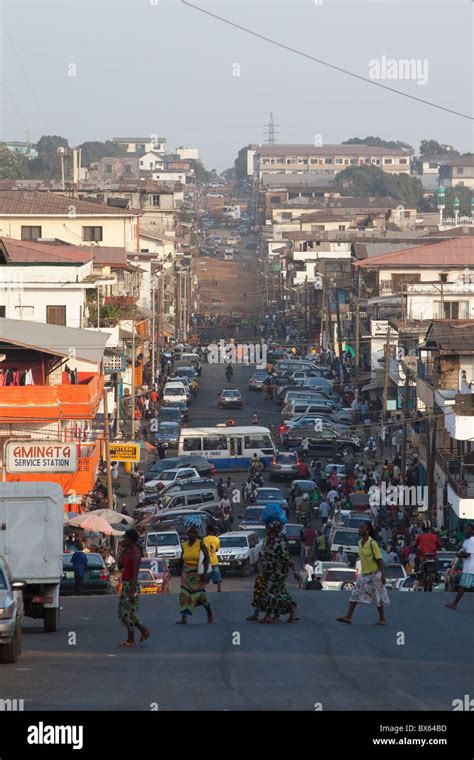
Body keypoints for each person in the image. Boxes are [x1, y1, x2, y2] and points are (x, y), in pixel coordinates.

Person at [246, 505, 301, 623]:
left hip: (278, 573)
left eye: (269, 529)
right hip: (266, 571)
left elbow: (287, 558)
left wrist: (295, 572)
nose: (267, 530)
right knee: (261, 588)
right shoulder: (268, 541)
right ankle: (258, 613)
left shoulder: (280, 543)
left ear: (273, 530)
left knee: (272, 593)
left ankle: (270, 614)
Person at [337, 521, 389, 625]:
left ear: (367, 531)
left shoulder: (372, 543)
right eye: (360, 527)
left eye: (362, 527)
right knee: (354, 594)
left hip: (375, 574)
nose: (359, 529)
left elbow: (379, 559)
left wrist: (383, 575)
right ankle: (348, 617)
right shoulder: (360, 542)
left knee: (378, 597)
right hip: (364, 575)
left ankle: (382, 618)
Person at [117, 529, 150, 647]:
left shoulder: (135, 554)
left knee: (128, 613)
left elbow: (136, 574)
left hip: (131, 585)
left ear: (130, 540)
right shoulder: (128, 552)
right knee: (125, 612)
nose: (123, 540)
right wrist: (122, 552)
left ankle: (131, 639)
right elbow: (120, 565)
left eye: (125, 538)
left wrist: (131, 591)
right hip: (126, 584)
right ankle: (143, 631)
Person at [177, 517, 213, 624]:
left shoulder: (201, 544)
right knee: (184, 594)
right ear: (187, 533)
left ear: (197, 534)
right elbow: (181, 558)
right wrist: (178, 569)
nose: (191, 534)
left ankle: (209, 612)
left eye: (194, 533)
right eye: (190, 532)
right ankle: (184, 618)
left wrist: (205, 573)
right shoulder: (184, 545)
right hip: (186, 573)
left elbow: (206, 559)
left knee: (199, 595)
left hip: (198, 573)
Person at [446, 523, 474, 610]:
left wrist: (459, 555)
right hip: (468, 567)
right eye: (465, 528)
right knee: (463, 586)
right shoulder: (466, 540)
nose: (466, 530)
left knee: (463, 586)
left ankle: (454, 603)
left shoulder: (472, 540)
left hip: (470, 568)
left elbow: (467, 555)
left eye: (468, 528)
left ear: (472, 530)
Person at [203, 525, 222, 592]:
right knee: (217, 574)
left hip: (207, 561)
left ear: (208, 531)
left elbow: (203, 549)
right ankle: (219, 587)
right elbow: (217, 549)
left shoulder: (205, 539)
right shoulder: (217, 539)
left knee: (206, 574)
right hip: (214, 560)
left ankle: (203, 588)